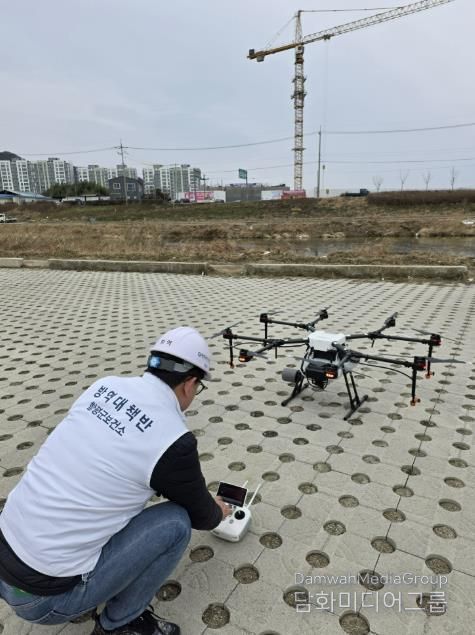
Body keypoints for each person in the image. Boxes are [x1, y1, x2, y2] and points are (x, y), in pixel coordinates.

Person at [0, 327, 231, 635]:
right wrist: (219, 511)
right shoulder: (174, 439)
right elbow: (204, 517)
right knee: (176, 522)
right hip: (43, 600)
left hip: (4, 554)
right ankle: (119, 624)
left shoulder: (104, 386)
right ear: (190, 384)